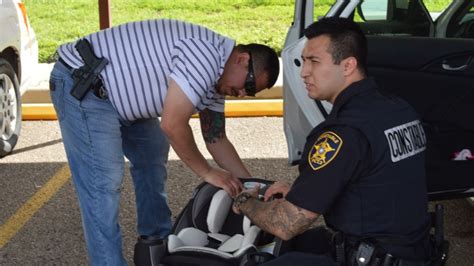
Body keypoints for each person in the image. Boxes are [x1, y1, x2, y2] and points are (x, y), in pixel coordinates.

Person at [49, 18, 279, 265]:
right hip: (82, 84)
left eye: (251, 92)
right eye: (250, 84)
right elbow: (172, 124)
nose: (243, 93)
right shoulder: (206, 57)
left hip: (115, 96)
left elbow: (217, 139)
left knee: (153, 155)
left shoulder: (217, 82)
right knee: (103, 183)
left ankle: (155, 244)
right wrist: (207, 172)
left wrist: (253, 187)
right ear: (242, 59)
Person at [233, 17, 431, 265]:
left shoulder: (343, 133)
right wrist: (301, 193)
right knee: (287, 249)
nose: (304, 72)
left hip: (370, 256)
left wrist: (244, 202)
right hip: (411, 250)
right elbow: (377, 181)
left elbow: (287, 223)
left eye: (314, 62)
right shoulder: (400, 109)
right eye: (304, 61)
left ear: (348, 66)